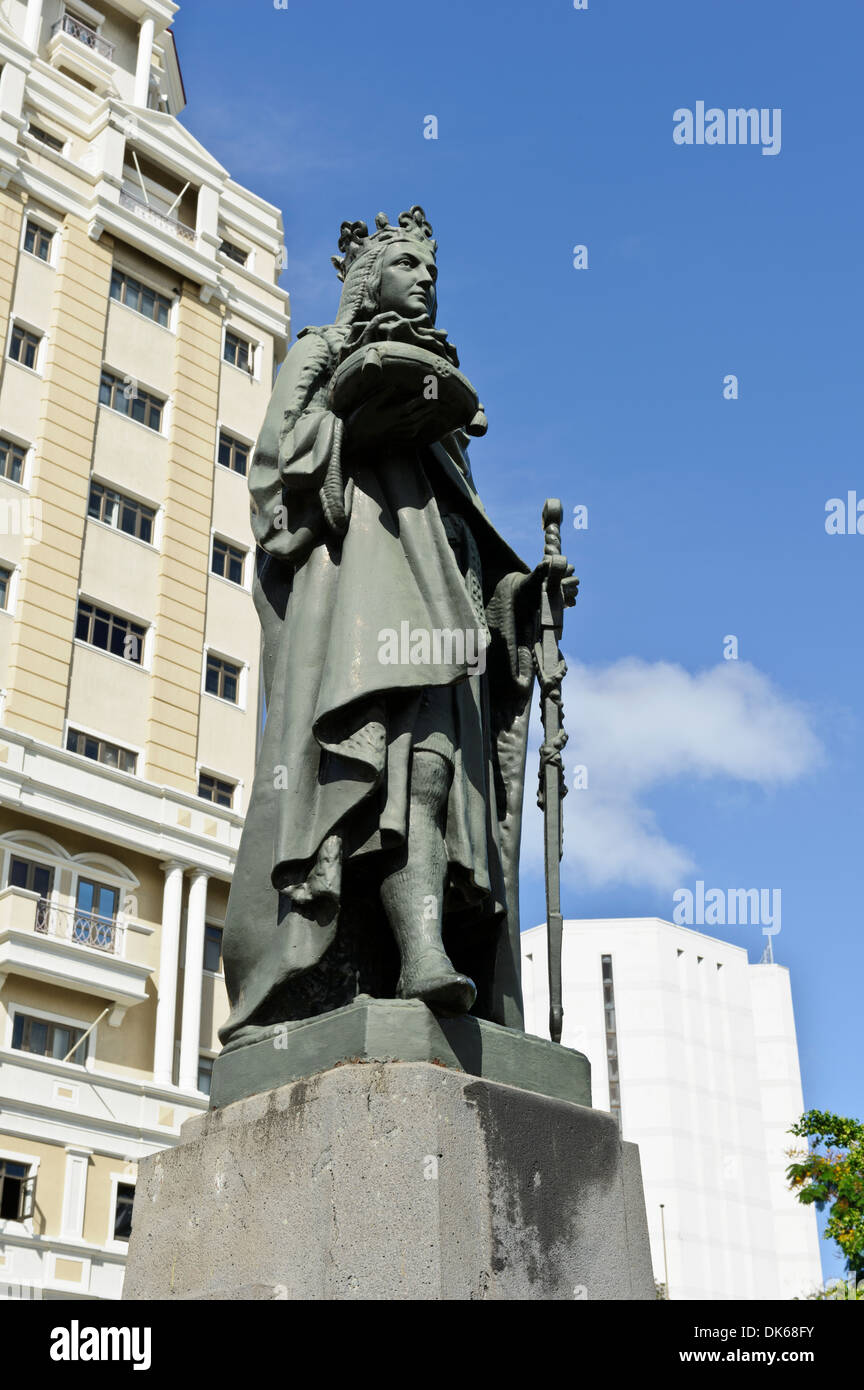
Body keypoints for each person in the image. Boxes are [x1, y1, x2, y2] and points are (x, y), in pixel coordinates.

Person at [219, 207, 575, 1051]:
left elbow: (464, 527)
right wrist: (352, 423)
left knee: (435, 768)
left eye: (432, 270)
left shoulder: (440, 403)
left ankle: (424, 955)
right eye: (408, 265)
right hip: (361, 594)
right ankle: (398, 950)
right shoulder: (320, 351)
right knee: (380, 754)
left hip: (442, 601)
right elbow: (274, 475)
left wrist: (526, 598)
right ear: (368, 274)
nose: (425, 280)